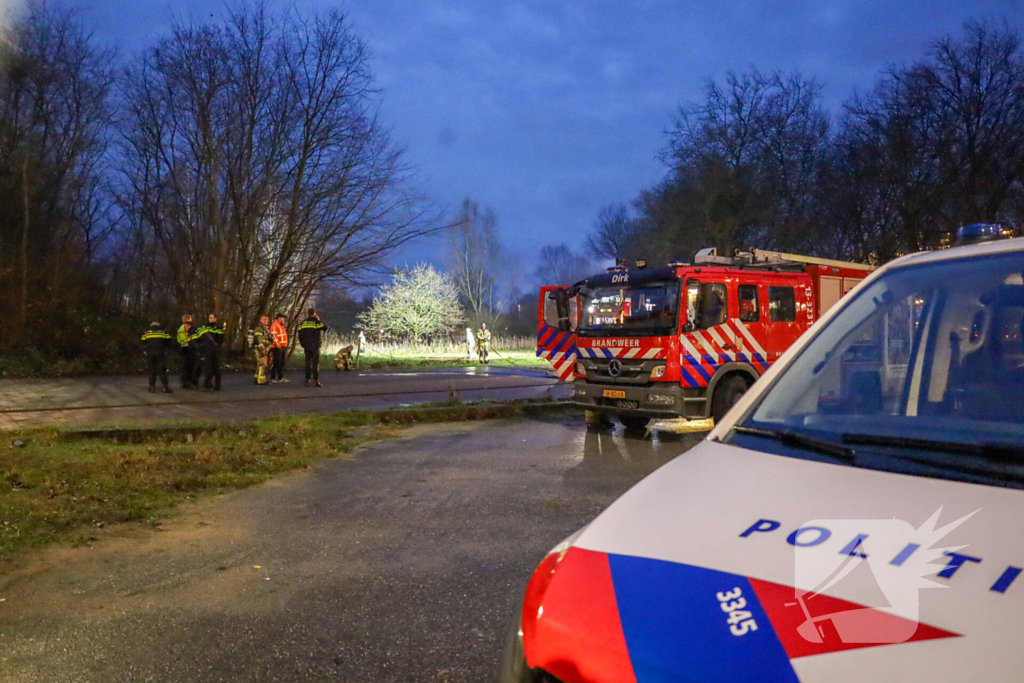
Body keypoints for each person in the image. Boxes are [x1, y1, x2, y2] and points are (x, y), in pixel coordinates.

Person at [141, 321, 174, 393]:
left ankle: (152, 387)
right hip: (161, 353)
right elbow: (169, 343)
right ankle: (165, 387)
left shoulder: (146, 333)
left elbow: (143, 344)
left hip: (150, 354)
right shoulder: (163, 332)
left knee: (152, 370)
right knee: (162, 370)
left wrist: (146, 351)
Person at [194, 313, 224, 391]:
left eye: (211, 318)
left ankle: (217, 385)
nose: (209, 319)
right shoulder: (204, 327)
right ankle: (204, 383)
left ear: (215, 319)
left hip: (214, 349)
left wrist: (217, 346)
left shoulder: (218, 328)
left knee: (216, 367)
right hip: (206, 350)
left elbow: (220, 339)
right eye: (209, 317)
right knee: (204, 367)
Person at [297, 307, 326, 387]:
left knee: (307, 363)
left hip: (306, 346)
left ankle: (307, 380)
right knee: (315, 363)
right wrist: (319, 319)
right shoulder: (316, 322)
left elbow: (299, 334)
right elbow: (324, 327)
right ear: (314, 313)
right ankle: (316, 380)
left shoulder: (303, 323)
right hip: (315, 346)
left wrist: (302, 343)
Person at [176, 314, 198, 389]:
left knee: (185, 367)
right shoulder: (187, 329)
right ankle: (188, 382)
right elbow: (190, 340)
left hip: (183, 349)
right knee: (189, 367)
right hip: (187, 349)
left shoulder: (180, 329)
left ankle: (184, 382)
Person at [249, 315, 272, 385]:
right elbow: (259, 340)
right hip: (259, 349)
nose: (266, 321)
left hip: (264, 348)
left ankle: (257, 378)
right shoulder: (259, 329)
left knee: (260, 364)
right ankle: (260, 380)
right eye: (264, 319)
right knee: (262, 364)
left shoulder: (265, 329)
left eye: (267, 319)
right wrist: (262, 349)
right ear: (260, 320)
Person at [269, 313, 289, 383]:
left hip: (282, 347)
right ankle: (273, 377)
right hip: (277, 347)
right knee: (276, 362)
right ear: (279, 318)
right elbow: (274, 336)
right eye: (283, 318)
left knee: (281, 363)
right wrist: (278, 346)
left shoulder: (281, 326)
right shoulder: (274, 325)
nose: (284, 320)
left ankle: (280, 377)